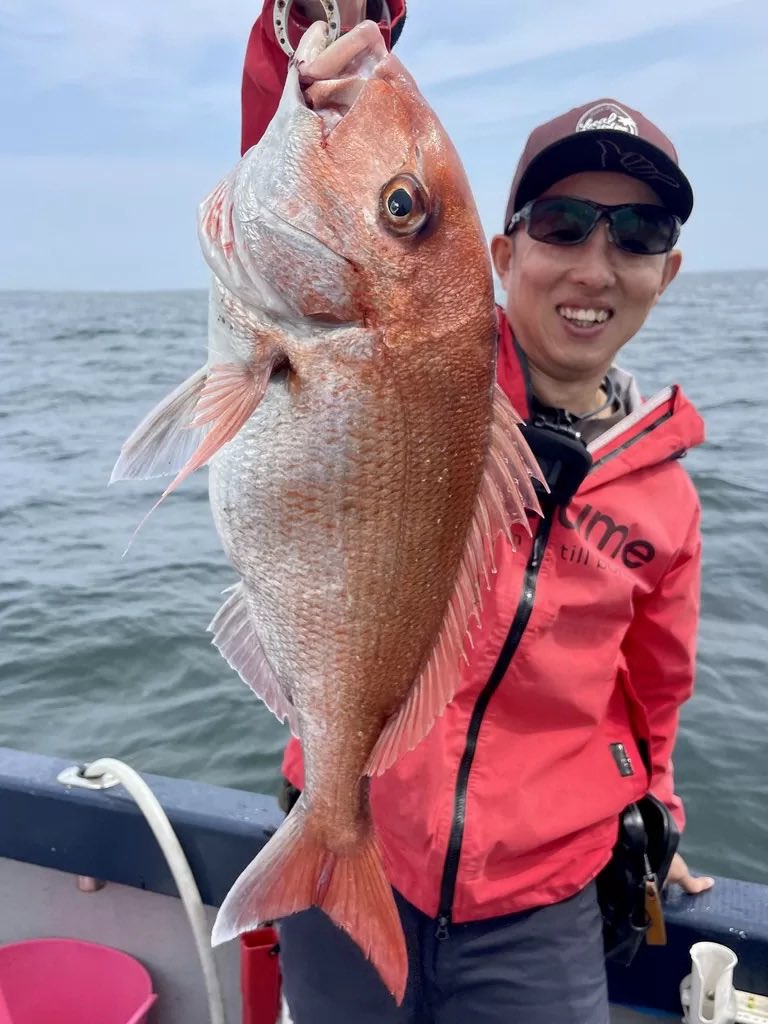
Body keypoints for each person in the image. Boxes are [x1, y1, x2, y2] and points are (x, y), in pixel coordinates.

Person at [238, 3, 715, 1021]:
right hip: (362, 824)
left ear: (666, 272)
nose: (595, 263)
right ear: (498, 257)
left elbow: (655, 687)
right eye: (561, 224)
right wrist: (313, 33)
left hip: (540, 902)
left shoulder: (667, 495)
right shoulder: (421, 367)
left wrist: (659, 815)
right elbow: (305, 199)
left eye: (637, 234)